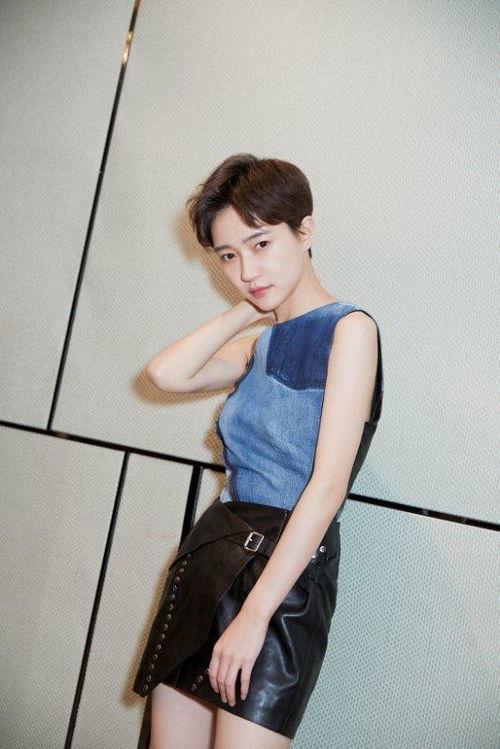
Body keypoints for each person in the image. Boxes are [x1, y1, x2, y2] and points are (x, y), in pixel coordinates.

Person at [132, 153, 384, 748]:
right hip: (213, 560)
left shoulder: (350, 330)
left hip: (284, 577)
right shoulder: (259, 344)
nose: (246, 269)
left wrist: (254, 616)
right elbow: (165, 374)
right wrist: (249, 309)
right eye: (228, 256)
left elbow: (327, 487)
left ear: (305, 229)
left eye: (261, 244)